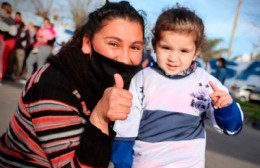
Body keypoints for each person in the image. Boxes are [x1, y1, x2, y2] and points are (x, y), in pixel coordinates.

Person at [0, 1, 145, 167]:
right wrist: (100, 118)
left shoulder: (125, 85)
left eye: (135, 47)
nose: (125, 58)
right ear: (87, 43)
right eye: (113, 44)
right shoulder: (54, 86)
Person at [112, 6, 243, 168]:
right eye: (166, 48)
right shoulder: (142, 80)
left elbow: (232, 128)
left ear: (196, 52)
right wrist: (122, 164)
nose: (173, 57)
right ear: (155, 45)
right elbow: (126, 126)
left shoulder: (207, 83)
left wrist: (226, 109)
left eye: (184, 51)